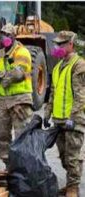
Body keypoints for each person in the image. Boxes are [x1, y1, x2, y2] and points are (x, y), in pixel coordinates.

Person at [0, 23, 34, 168]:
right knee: (1, 135)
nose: (4, 38)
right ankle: (9, 166)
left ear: (13, 37)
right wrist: (5, 77)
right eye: (2, 35)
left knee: (22, 136)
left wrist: (1, 78)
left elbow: (18, 73)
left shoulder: (22, 52)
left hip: (20, 100)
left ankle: (23, 168)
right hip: (2, 101)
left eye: (7, 35)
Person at [44, 31, 85, 197]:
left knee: (72, 156)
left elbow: (81, 95)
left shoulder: (79, 65)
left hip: (73, 120)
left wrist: (73, 118)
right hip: (59, 120)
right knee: (63, 155)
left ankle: (73, 188)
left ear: (71, 45)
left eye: (61, 44)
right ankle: (70, 184)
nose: (57, 47)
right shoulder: (58, 66)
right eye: (57, 44)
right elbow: (53, 92)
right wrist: (47, 113)